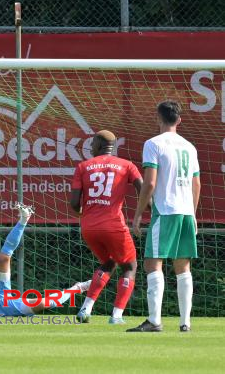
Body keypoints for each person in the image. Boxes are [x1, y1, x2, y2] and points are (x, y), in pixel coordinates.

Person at [127, 101, 201, 333]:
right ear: (179, 120)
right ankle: (185, 322)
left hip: (166, 211)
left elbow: (149, 183)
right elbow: (196, 183)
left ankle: (155, 320)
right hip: (186, 212)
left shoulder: (153, 144)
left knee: (152, 263)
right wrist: (194, 213)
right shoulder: (190, 146)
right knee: (183, 266)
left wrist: (138, 214)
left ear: (157, 118)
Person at [70, 130, 143, 324]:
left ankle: (85, 310)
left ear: (99, 145)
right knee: (130, 265)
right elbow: (143, 191)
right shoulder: (127, 165)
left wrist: (82, 214)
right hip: (113, 225)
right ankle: (116, 316)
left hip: (89, 227)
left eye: (92, 143)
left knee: (109, 263)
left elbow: (75, 203)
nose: (91, 147)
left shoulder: (83, 166)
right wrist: (150, 211)